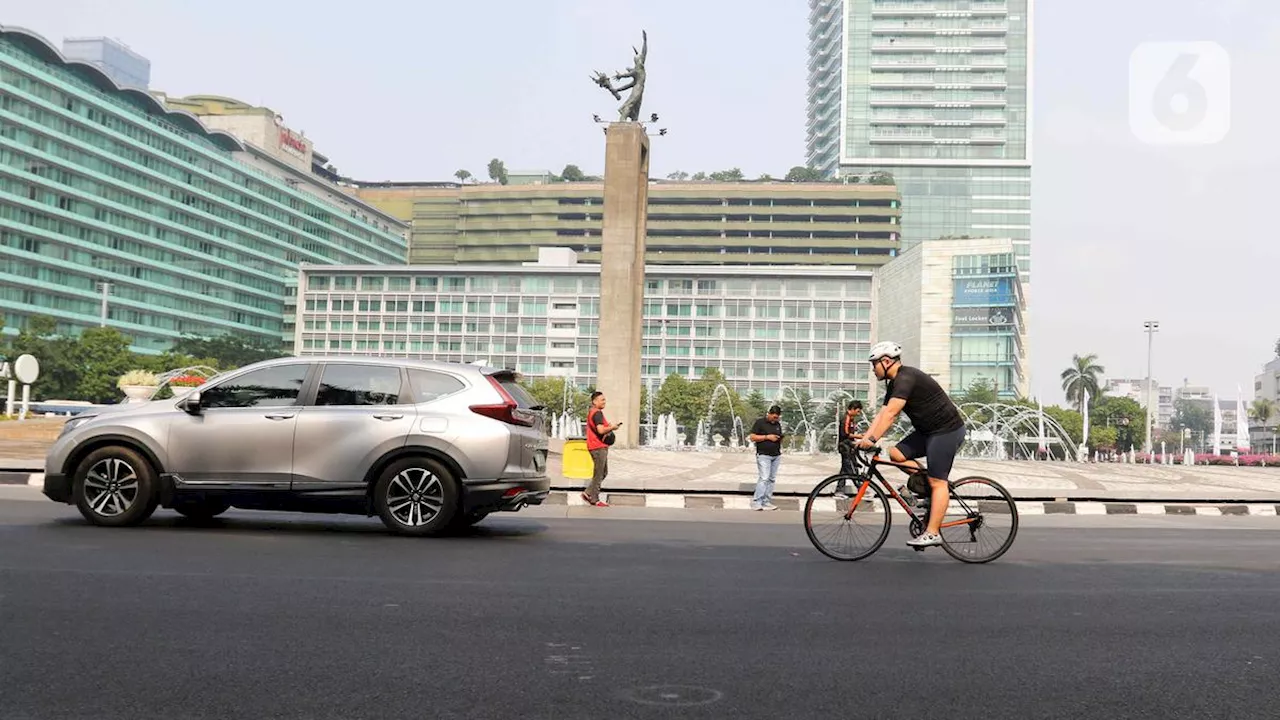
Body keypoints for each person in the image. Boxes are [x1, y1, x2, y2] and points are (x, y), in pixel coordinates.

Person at [857, 341, 967, 549]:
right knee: (896, 454)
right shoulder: (894, 382)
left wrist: (871, 441)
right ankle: (929, 491)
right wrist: (865, 436)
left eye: (874, 365)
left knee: (938, 482)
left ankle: (933, 532)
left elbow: (891, 414)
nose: (873, 370)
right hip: (928, 432)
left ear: (887, 361)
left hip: (947, 431)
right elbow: (882, 413)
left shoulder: (905, 378)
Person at [583, 391, 622, 508]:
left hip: (596, 446)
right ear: (594, 402)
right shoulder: (597, 413)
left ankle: (588, 493)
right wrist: (612, 427)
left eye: (605, 400)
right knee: (599, 473)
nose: (604, 402)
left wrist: (608, 427)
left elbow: (599, 428)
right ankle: (594, 499)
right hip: (598, 447)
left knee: (603, 472)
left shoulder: (593, 412)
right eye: (602, 400)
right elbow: (600, 431)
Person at [748, 405, 785, 511]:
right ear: (769, 414)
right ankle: (757, 502)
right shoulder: (760, 422)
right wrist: (767, 437)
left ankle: (766, 501)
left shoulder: (777, 424)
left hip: (776, 455)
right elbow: (752, 437)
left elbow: (777, 436)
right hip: (764, 455)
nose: (775, 419)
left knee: (771, 479)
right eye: (773, 417)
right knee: (764, 478)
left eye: (777, 417)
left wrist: (779, 439)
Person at [835, 400, 865, 497]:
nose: (858, 413)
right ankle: (861, 490)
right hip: (845, 447)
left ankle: (839, 490)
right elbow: (845, 434)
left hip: (848, 447)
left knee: (845, 469)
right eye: (858, 411)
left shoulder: (850, 418)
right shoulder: (846, 419)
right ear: (852, 409)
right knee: (851, 468)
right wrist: (859, 437)